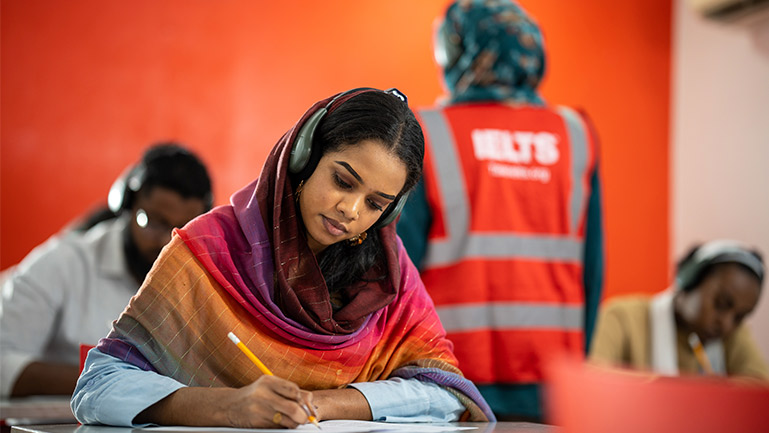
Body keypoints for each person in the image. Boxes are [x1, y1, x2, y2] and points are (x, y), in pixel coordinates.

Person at [71, 88, 495, 427]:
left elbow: (444, 391)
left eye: (375, 203)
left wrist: (325, 404)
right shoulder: (209, 247)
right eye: (343, 181)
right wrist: (227, 408)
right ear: (303, 157)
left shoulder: (386, 271)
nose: (351, 211)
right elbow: (99, 385)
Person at [395, 0, 604, 422]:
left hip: (448, 378)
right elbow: (592, 269)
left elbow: (398, 269)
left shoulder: (427, 130)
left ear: (455, 52)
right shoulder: (575, 133)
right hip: (552, 381)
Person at [0, 143, 213, 398]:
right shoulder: (64, 263)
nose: (163, 244)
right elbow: (3, 364)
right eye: (153, 222)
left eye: (180, 231)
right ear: (128, 205)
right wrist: (114, 381)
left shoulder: (198, 280)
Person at [590, 240, 768, 379]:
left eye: (740, 316)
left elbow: (760, 392)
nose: (726, 323)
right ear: (688, 280)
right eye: (720, 304)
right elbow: (593, 380)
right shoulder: (622, 318)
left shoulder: (732, 335)